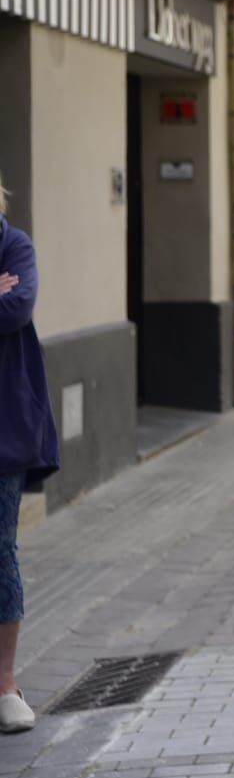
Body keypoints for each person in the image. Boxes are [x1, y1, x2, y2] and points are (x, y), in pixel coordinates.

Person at [0, 172, 60, 735]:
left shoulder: (13, 244)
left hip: (4, 430)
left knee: (0, 550)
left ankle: (5, 685)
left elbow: (15, 309)